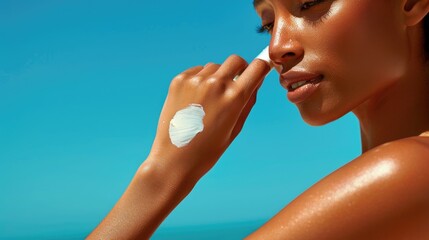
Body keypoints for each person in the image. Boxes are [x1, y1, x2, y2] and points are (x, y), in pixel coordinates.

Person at [87, 0, 429, 239]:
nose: (279, 47)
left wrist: (163, 172)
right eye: (267, 24)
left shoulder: (411, 169)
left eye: (309, 4)